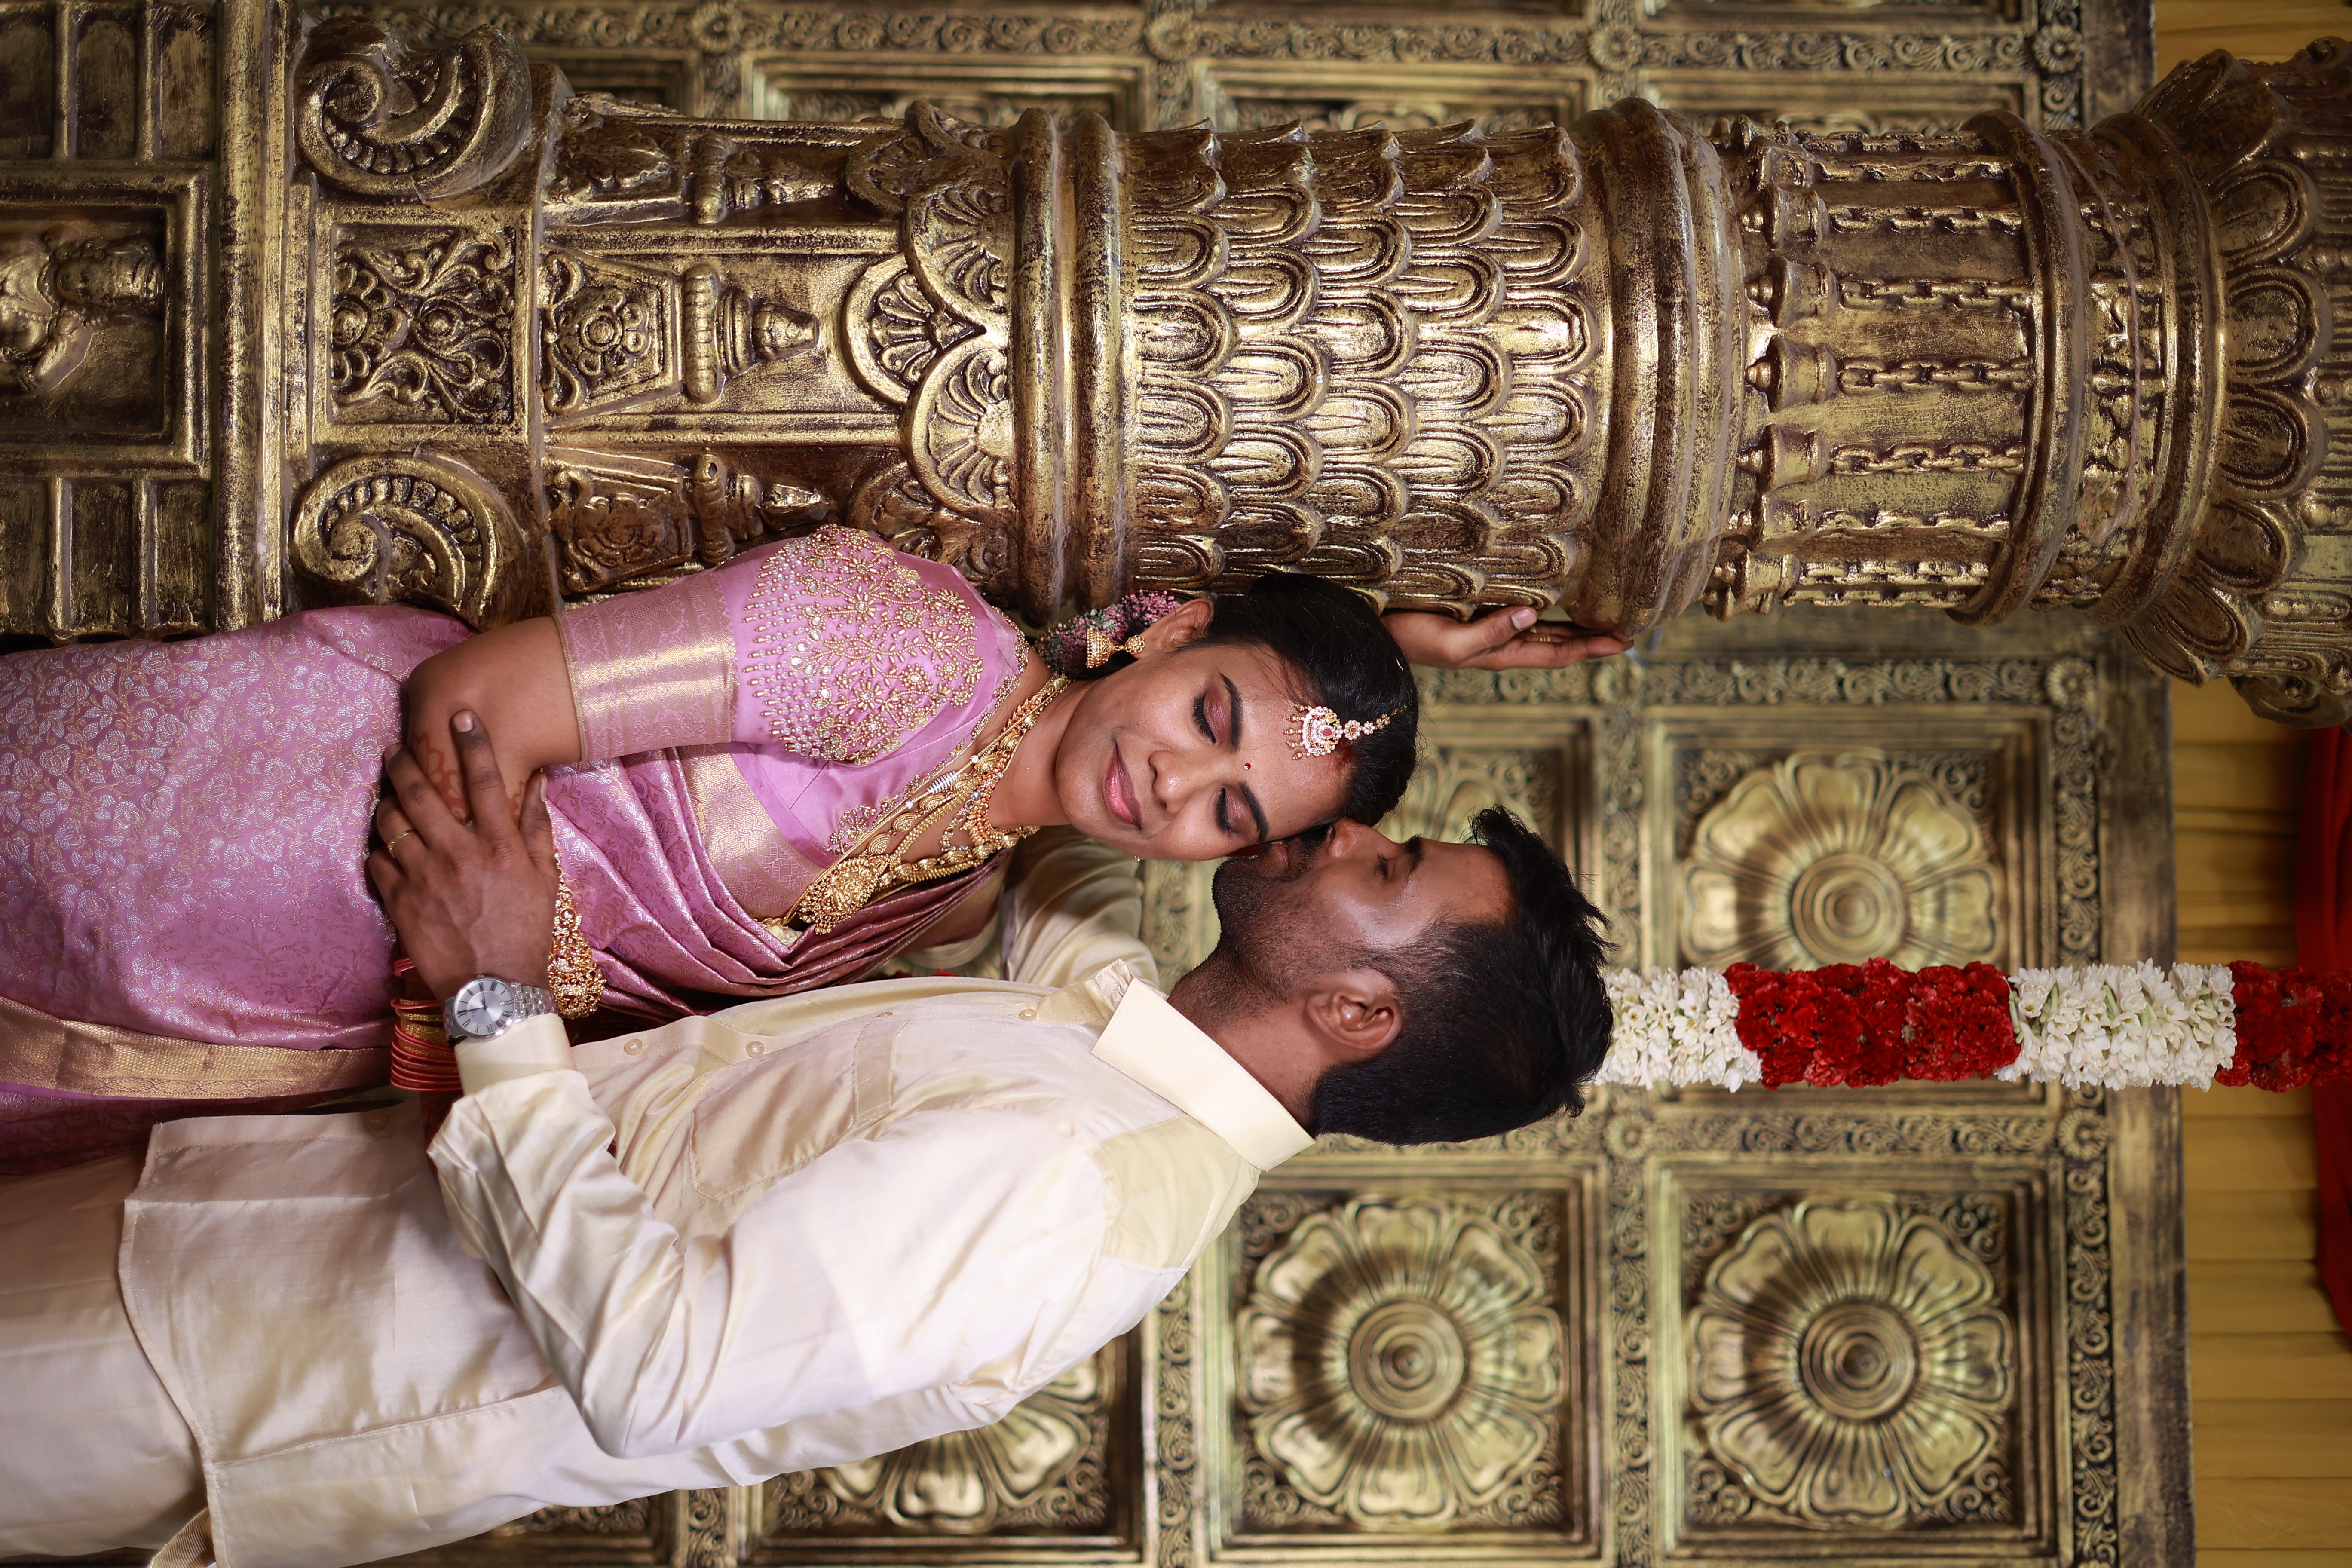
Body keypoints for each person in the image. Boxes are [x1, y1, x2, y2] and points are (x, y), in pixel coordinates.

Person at [0, 709, 1614, 1568]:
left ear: (1354, 1017)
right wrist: (1337, 674)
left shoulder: (1079, 1189)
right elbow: (1082, 858)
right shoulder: (1126, 1045)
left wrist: (494, 990)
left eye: (1386, 873)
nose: (1342, 829)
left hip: (235, 1367)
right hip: (230, 1225)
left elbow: (659, 1369)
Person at [0, 512, 1617, 1169]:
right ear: (1164, 630)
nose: (1176, 791)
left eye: (1236, 814)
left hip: (312, 1021)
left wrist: (479, 1006)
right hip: (256, 819)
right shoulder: (903, 643)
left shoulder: (971, 887)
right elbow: (477, 699)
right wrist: (496, 982)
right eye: (1207, 718)